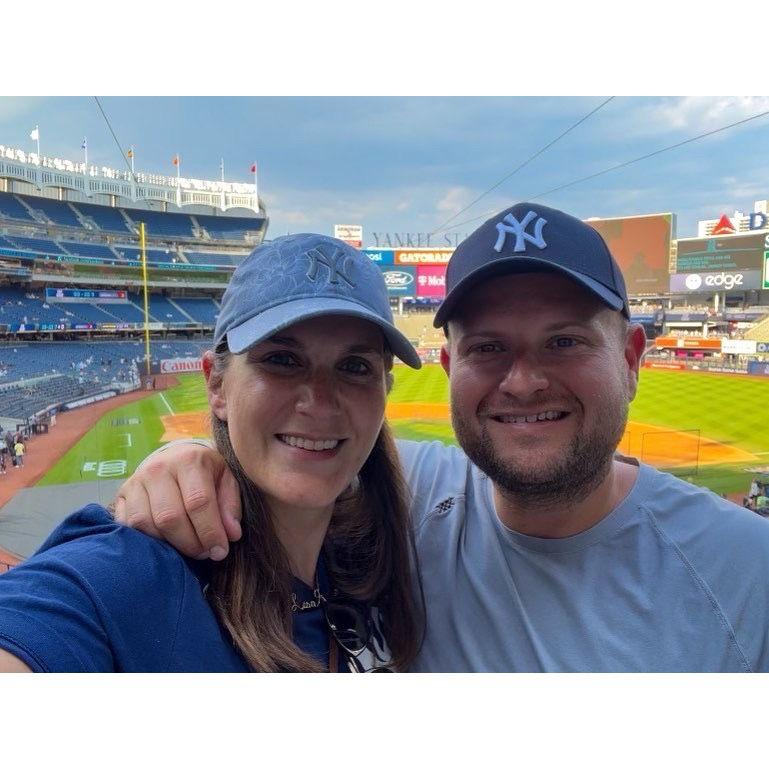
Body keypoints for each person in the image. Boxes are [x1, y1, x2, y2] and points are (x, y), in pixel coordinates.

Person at [116, 203, 769, 672]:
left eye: (564, 341)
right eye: (487, 347)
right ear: (450, 369)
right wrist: (188, 459)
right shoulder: (410, 492)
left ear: (629, 357)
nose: (522, 381)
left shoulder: (746, 572)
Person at [0, 234, 425, 672]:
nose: (318, 401)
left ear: (384, 391)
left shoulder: (378, 549)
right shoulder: (131, 573)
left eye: (356, 367)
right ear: (216, 385)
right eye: (281, 359)